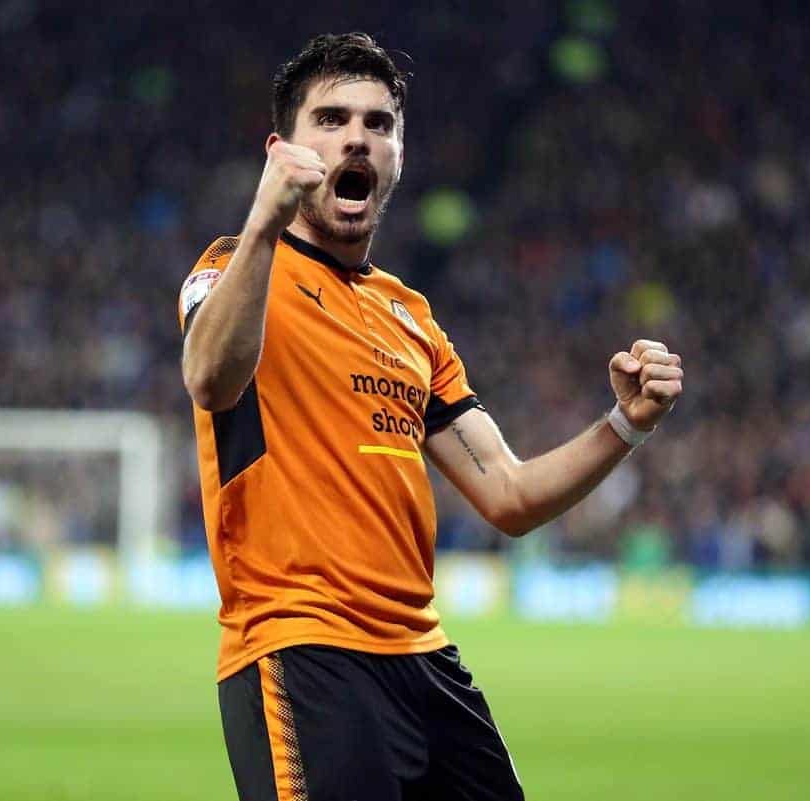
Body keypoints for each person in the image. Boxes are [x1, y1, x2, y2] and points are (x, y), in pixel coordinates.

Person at [177, 32, 683, 801]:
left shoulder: (410, 317)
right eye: (332, 119)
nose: (357, 137)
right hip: (304, 647)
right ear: (282, 148)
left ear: (398, 159)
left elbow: (509, 495)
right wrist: (262, 224)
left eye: (379, 124)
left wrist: (625, 424)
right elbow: (209, 378)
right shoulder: (233, 266)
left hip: (424, 658)